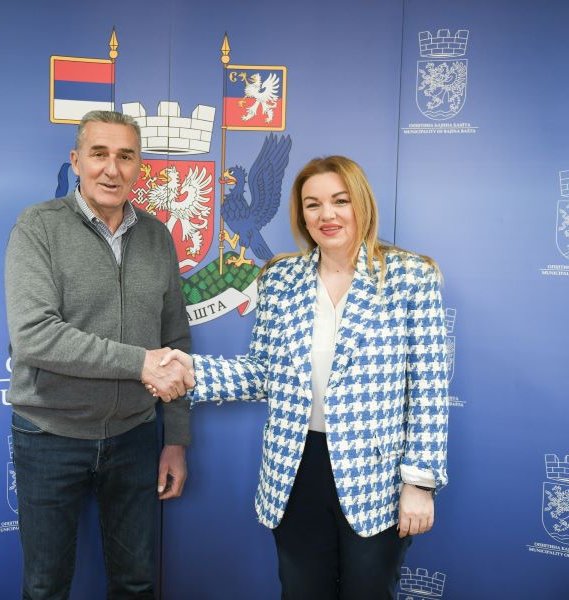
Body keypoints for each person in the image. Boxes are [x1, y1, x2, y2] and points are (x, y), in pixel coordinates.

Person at [152, 156, 449, 599]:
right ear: (301, 214)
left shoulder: (411, 277)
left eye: (340, 201)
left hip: (376, 477)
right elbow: (261, 373)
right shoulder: (280, 279)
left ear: (362, 203)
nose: (327, 214)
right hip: (294, 469)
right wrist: (190, 371)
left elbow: (429, 390)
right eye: (313, 205)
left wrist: (420, 483)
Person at [4, 110, 194, 600]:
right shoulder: (37, 227)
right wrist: (139, 363)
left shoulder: (157, 236)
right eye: (99, 154)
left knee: (137, 583)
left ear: (139, 166)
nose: (112, 169)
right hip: (50, 435)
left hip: (135, 436)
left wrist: (175, 437)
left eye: (125, 156)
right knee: (45, 586)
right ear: (76, 161)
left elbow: (175, 339)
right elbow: (34, 336)